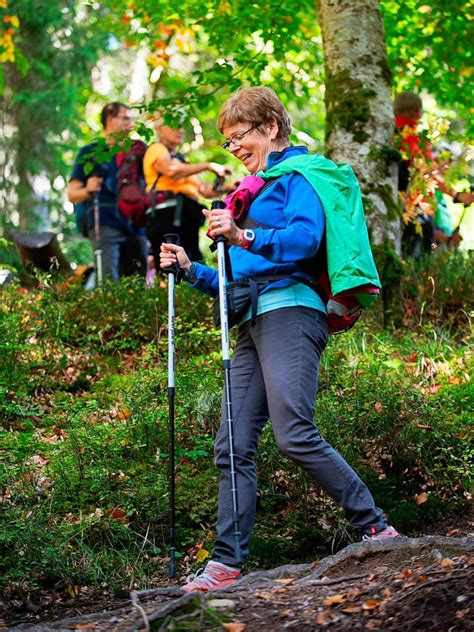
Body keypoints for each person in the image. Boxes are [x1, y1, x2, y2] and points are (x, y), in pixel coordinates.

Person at [160, 87, 400, 593]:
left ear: (270, 126)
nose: (235, 148)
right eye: (228, 143)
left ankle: (376, 528)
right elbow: (236, 275)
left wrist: (243, 235)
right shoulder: (249, 191)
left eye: (239, 136)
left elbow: (304, 240)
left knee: (293, 432)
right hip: (250, 319)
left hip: (292, 311)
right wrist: (189, 269)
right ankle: (225, 564)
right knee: (232, 443)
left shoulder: (300, 176)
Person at [68, 102, 148, 282]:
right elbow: (72, 194)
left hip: (135, 224)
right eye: (126, 118)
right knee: (108, 280)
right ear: (110, 119)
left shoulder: (136, 151)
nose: (131, 123)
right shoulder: (90, 153)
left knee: (139, 279)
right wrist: (88, 189)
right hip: (104, 222)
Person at [143, 115, 234, 267]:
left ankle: (192, 289)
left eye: (181, 127)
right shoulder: (156, 149)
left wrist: (227, 186)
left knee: (192, 259)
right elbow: (171, 171)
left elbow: (205, 191)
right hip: (166, 213)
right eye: (174, 126)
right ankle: (168, 289)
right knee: (171, 262)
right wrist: (208, 166)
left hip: (187, 214)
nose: (180, 131)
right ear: (160, 130)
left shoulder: (182, 160)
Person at [394, 91, 473, 258]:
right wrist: (457, 195)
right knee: (417, 264)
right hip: (416, 212)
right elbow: (427, 173)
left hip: (393, 209)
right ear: (416, 111)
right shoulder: (413, 136)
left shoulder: (387, 134)